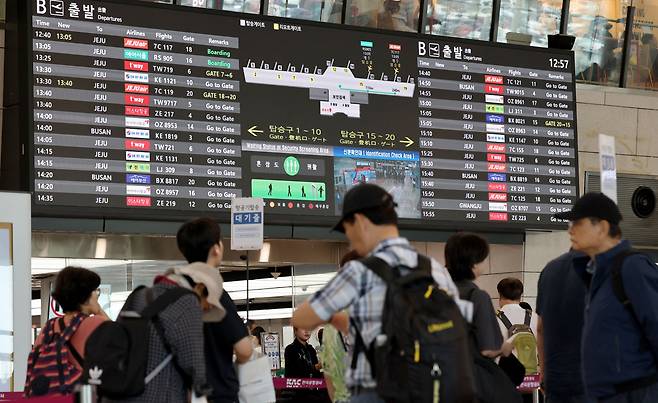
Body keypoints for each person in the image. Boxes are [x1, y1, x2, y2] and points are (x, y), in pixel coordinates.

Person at [292, 184, 466, 403]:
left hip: (377, 392)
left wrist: (331, 314)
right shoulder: (435, 270)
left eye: (348, 230)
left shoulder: (360, 271)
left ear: (361, 223)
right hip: (431, 389)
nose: (350, 240)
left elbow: (302, 317)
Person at [554, 192, 658, 402]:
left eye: (577, 223)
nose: (570, 230)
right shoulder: (596, 274)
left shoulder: (632, 267)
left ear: (601, 228)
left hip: (634, 394)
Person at [176, 217, 253, 403]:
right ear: (216, 249)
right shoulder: (215, 292)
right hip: (216, 393)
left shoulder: (173, 291)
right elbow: (244, 350)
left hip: (181, 393)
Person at [25, 267, 109, 396]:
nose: (97, 295)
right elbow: (124, 343)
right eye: (95, 291)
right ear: (85, 296)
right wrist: (98, 311)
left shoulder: (49, 327)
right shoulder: (95, 323)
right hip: (82, 395)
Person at [445, 233, 513, 360]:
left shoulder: (435, 291)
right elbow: (488, 350)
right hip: (468, 373)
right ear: (474, 263)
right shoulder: (477, 297)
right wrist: (506, 348)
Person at [536, 250, 590, 403]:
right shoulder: (607, 267)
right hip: (592, 381)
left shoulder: (550, 269)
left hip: (556, 380)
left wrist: (545, 374)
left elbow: (541, 327)